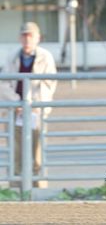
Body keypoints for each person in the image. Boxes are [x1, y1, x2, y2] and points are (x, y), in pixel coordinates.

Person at [0, 22, 57, 188]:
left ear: (38, 38)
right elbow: (4, 83)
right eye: (24, 36)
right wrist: (17, 102)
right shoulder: (12, 57)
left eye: (30, 36)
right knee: (16, 152)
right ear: (20, 38)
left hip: (36, 111)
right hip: (16, 111)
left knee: (37, 152)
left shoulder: (45, 57)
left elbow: (49, 83)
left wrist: (34, 104)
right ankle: (16, 188)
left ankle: (39, 188)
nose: (27, 39)